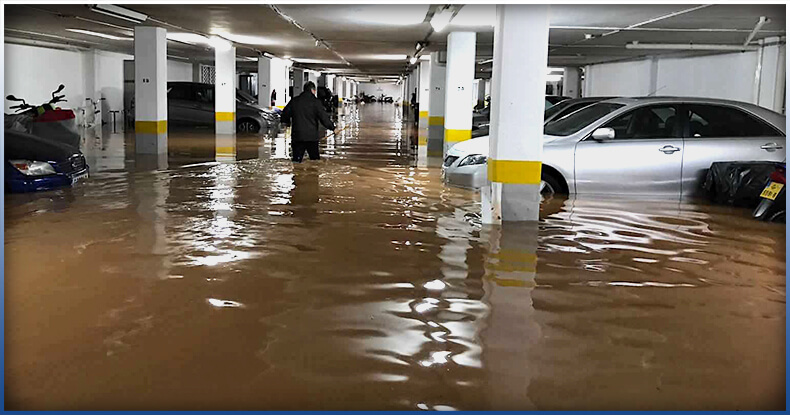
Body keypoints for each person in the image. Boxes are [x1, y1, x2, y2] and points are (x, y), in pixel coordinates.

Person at [281, 81, 336, 163]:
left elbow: (284, 114)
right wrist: (333, 128)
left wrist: (286, 123)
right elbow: (324, 118)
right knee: (314, 161)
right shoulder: (316, 102)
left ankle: (296, 174)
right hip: (312, 137)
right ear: (313, 90)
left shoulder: (295, 101)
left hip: (298, 136)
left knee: (296, 162)